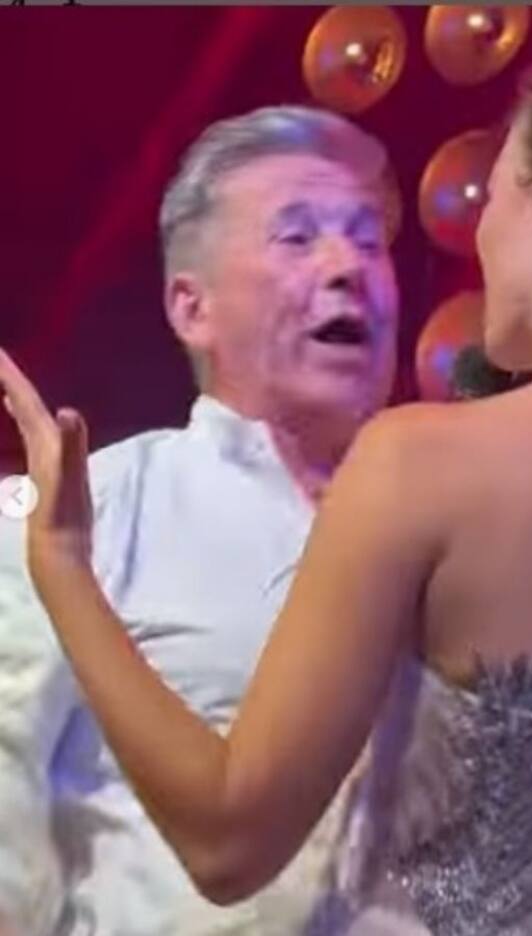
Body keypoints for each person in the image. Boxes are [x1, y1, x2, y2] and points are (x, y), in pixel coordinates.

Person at [2, 23, 532, 936]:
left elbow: (227, 842)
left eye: (495, 189)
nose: (479, 235)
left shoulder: (422, 462)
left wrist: (64, 567)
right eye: (299, 236)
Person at [0, 105, 399, 935]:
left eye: (368, 241)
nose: (347, 267)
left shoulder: (446, 542)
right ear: (192, 308)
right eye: (297, 237)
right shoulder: (88, 512)